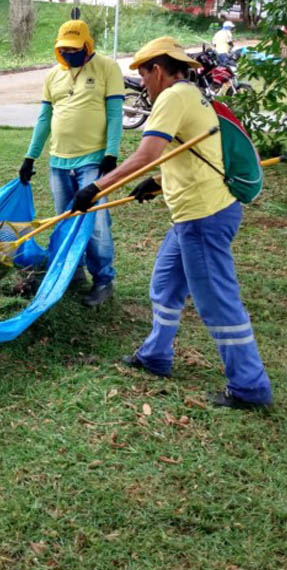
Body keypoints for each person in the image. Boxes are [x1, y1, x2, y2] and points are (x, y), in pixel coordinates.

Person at [71, 36, 273, 410]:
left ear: (158, 70)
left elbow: (147, 152)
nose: (143, 84)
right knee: (164, 285)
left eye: (144, 75)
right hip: (192, 216)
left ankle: (250, 387)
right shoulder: (193, 94)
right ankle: (156, 355)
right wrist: (159, 181)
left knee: (217, 302)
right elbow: (192, 152)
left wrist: (95, 188)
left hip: (203, 216)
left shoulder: (172, 96)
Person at [18, 19, 124, 307]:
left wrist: (111, 154)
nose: (68, 53)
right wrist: (30, 156)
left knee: (97, 224)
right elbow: (44, 119)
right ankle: (73, 273)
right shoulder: (53, 76)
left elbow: (115, 114)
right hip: (58, 162)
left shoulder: (107, 68)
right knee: (65, 219)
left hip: (92, 161)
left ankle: (103, 280)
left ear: (87, 45)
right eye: (63, 49)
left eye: (73, 48)